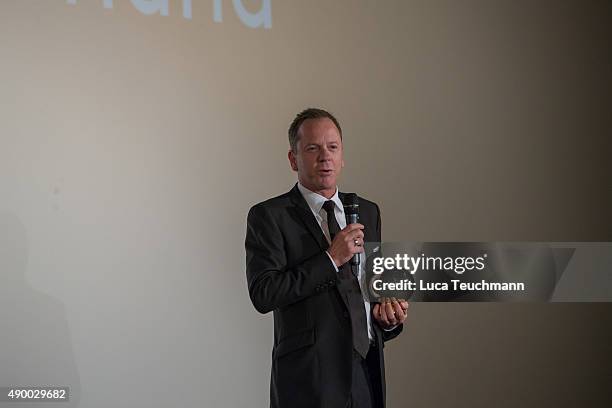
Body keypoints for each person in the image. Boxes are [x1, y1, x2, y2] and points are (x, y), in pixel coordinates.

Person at [245, 108, 408, 408]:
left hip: (366, 373)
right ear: (293, 159)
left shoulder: (367, 212)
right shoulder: (269, 216)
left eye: (332, 147)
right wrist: (331, 258)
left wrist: (388, 319)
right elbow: (263, 293)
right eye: (313, 148)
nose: (325, 157)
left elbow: (371, 292)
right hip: (308, 381)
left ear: (342, 156)